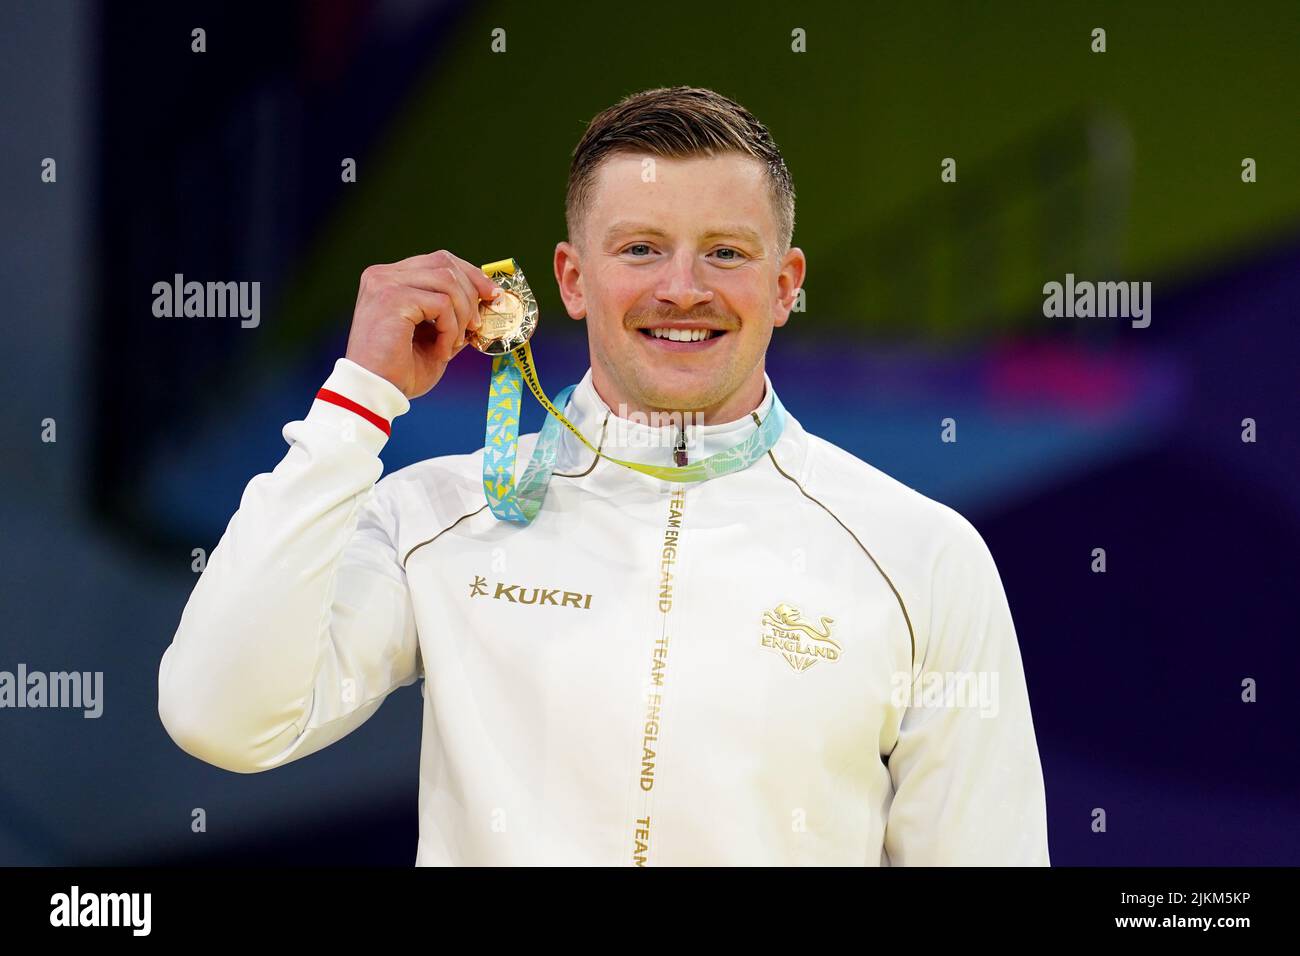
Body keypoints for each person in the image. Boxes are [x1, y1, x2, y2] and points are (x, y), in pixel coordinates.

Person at [158, 85, 1050, 866]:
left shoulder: (922, 556)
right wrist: (356, 405)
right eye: (640, 249)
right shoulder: (438, 515)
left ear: (786, 285)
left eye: (727, 254)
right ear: (571, 278)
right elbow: (223, 717)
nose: (683, 288)